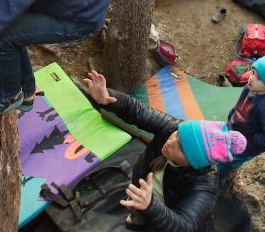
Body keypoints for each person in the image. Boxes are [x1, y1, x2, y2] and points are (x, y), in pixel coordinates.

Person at [84, 71, 247, 231]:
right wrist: (108, 98)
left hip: (163, 212)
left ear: (193, 162)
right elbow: (139, 112)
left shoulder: (204, 185)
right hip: (147, 194)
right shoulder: (174, 128)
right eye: (178, 135)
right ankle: (139, 216)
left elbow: (186, 225)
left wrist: (151, 207)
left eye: (181, 147)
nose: (171, 141)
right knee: (139, 209)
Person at [219, 52, 265, 174]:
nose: (252, 78)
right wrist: (231, 116)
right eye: (253, 72)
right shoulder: (250, 87)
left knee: (225, 165)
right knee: (218, 154)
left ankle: (221, 178)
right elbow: (239, 105)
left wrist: (256, 140)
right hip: (231, 131)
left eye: (259, 78)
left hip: (243, 147)